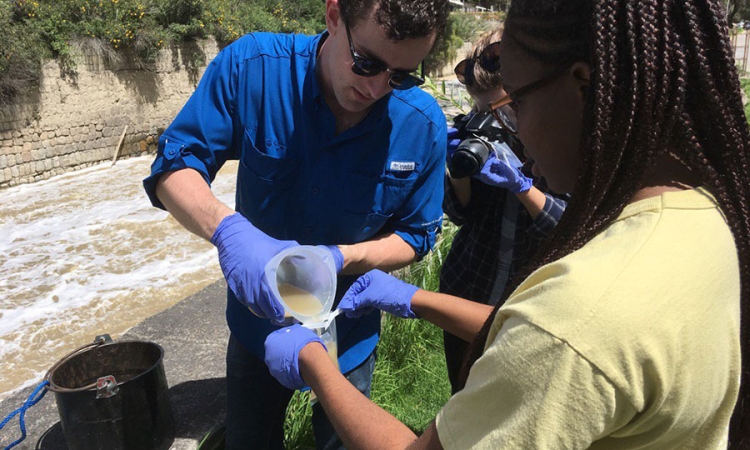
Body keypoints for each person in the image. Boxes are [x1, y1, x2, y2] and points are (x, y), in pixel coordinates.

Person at [262, 0, 750, 448]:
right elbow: (528, 332)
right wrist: (412, 296)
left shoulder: (579, 317)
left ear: (583, 86)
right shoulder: (708, 213)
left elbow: (554, 337)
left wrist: (316, 363)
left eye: (515, 101)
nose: (509, 125)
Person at [142, 0, 450, 448]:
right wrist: (227, 230)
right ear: (332, 15)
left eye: (400, 75)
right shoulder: (253, 68)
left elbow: (418, 234)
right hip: (257, 327)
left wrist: (343, 258)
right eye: (367, 63)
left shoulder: (422, 125)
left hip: (348, 332)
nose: (379, 87)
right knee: (250, 440)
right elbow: (173, 165)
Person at [440, 29, 567, 394]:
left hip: (529, 306)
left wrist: (523, 187)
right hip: (469, 287)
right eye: (481, 111)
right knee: (462, 392)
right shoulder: (486, 135)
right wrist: (458, 169)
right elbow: (460, 215)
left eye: (501, 110)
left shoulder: (563, 143)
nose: (493, 123)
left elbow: (570, 229)